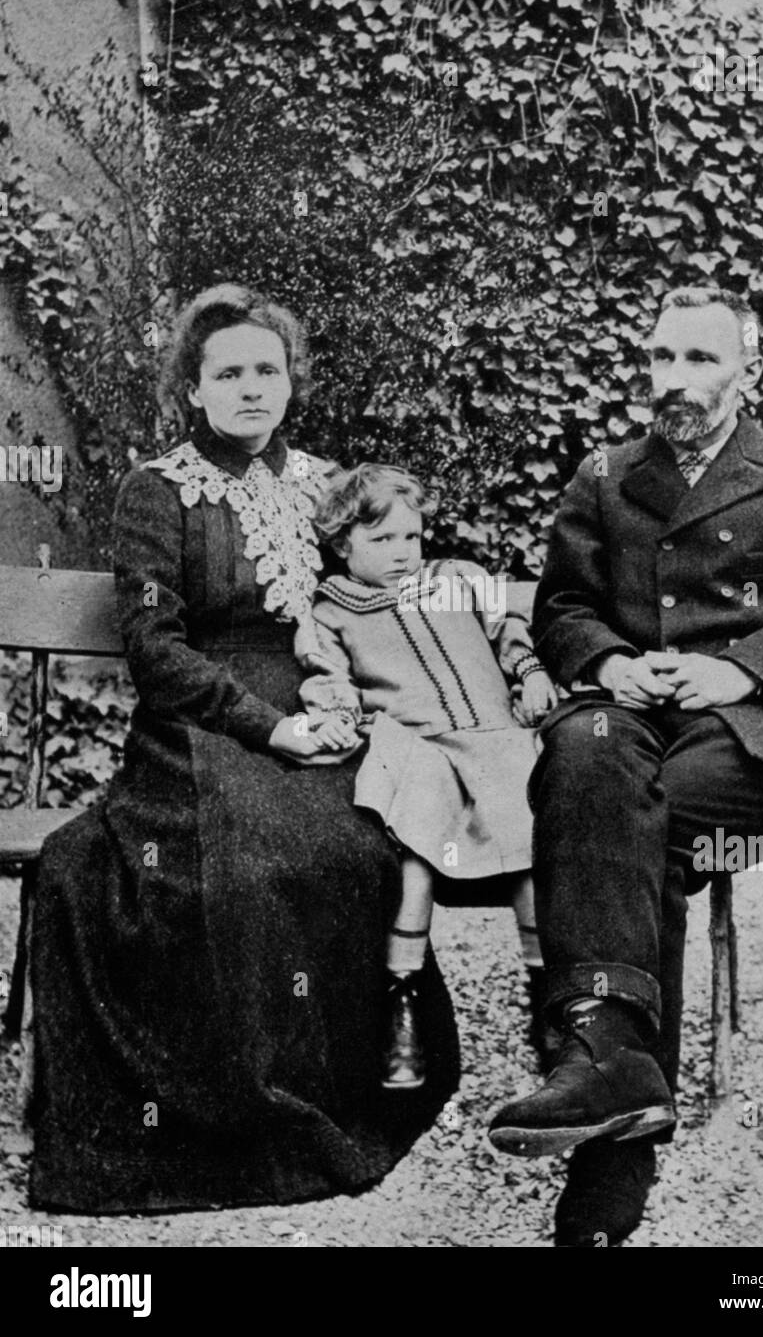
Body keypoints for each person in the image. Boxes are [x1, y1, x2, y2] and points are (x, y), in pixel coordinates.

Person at [24, 285, 459, 1214]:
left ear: (292, 380)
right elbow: (155, 646)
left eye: (268, 369)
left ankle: (354, 1083)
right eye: (229, 373)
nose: (252, 388)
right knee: (242, 864)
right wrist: (269, 727)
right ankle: (234, 1123)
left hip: (325, 708)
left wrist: (349, 702)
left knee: (354, 842)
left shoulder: (332, 484)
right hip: (201, 725)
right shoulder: (158, 490)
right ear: (194, 388)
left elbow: (381, 597)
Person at [487, 286, 763, 1247]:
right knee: (584, 750)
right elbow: (563, 609)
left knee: (629, 819)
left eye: (700, 361)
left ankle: (604, 1105)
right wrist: (614, 663)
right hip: (635, 713)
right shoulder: (606, 476)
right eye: (662, 360)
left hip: (757, 728)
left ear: (750, 369)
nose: (677, 382)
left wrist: (731, 667)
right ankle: (622, 1089)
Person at [295, 464, 560, 1088]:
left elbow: (509, 629)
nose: (401, 553)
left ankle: (549, 991)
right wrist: (335, 711)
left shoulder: (456, 581)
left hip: (496, 736)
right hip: (416, 747)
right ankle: (402, 997)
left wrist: (530, 675)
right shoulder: (333, 612)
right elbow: (327, 678)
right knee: (414, 842)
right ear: (342, 545)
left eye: (410, 538)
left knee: (530, 831)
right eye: (381, 540)